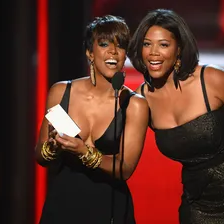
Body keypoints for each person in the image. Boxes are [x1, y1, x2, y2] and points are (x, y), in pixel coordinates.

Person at [128, 8, 224, 224]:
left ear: (179, 49)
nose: (153, 52)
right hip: (198, 201)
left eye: (163, 44)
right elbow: (121, 150)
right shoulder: (142, 99)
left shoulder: (212, 79)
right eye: (146, 44)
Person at [35, 15, 149, 224]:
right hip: (62, 205)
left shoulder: (135, 104)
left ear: (125, 55)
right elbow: (40, 157)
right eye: (104, 43)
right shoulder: (61, 91)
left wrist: (83, 152)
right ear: (89, 53)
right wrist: (52, 148)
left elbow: (125, 168)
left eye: (120, 45)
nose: (113, 51)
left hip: (109, 208)